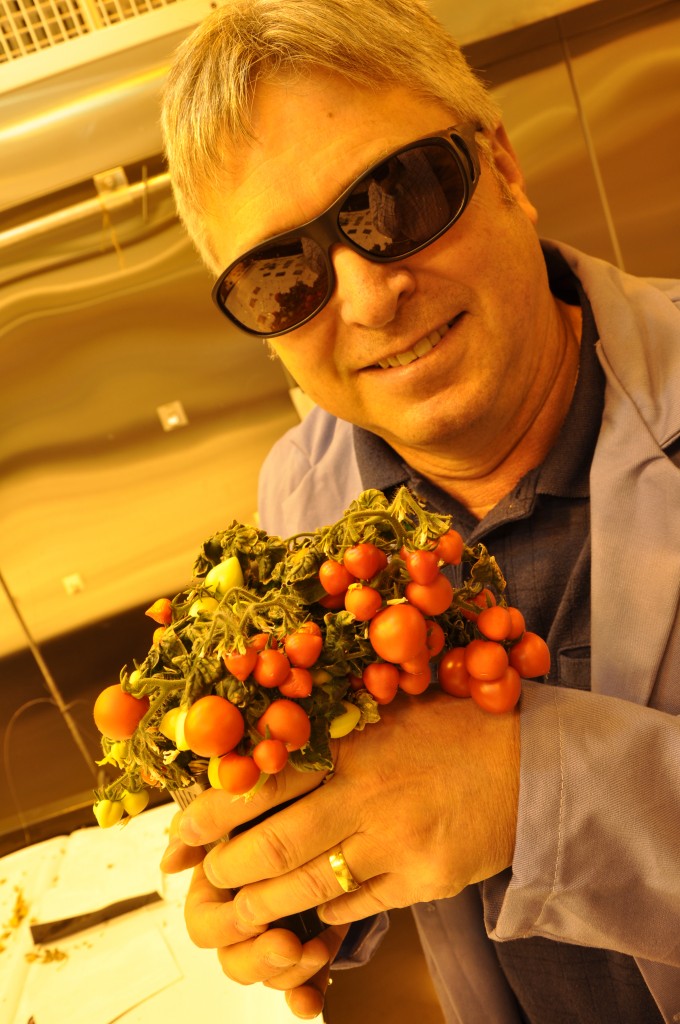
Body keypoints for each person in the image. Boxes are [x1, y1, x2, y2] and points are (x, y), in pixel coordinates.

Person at [157, 1, 680, 1021]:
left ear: (503, 169)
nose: (363, 297)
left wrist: (535, 794)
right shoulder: (298, 498)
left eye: (391, 197)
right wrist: (293, 889)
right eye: (281, 275)